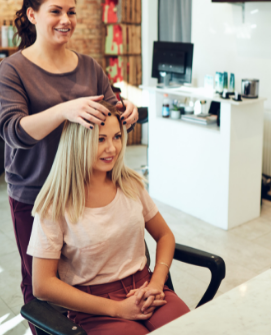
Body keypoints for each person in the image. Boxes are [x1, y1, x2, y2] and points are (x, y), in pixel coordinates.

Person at [0, 0, 139, 333]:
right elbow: (12, 131)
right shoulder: (13, 70)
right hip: (37, 194)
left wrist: (128, 110)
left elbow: (110, 115)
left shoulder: (89, 66)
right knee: (42, 284)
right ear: (32, 15)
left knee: (88, 275)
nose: (66, 20)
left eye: (71, 11)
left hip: (88, 191)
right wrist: (63, 110)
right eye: (55, 11)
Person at [28, 101, 190, 334]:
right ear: (78, 143)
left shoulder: (130, 184)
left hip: (146, 288)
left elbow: (164, 235)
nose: (112, 148)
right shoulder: (55, 206)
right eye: (101, 139)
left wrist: (157, 282)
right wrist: (117, 309)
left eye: (116, 137)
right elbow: (42, 285)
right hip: (95, 307)